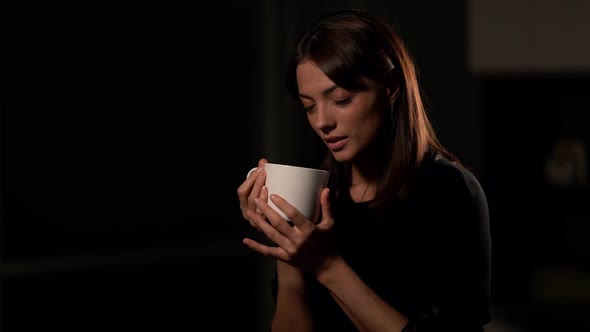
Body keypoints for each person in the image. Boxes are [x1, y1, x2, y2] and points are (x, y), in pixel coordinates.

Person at [237, 8, 492, 332]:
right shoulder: (321, 193)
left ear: (391, 87)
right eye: (309, 106)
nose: (322, 122)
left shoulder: (448, 191)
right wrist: (286, 246)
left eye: (341, 99)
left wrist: (326, 266)